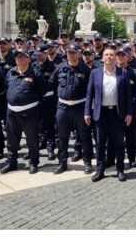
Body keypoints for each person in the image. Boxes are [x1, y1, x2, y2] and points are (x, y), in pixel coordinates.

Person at [84, 46, 133, 182]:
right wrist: (87, 112)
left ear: (115, 57)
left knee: (119, 142)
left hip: (117, 113)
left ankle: (120, 169)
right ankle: (100, 170)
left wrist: (129, 113)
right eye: (106, 55)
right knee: (100, 143)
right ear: (102, 58)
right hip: (101, 113)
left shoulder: (123, 73)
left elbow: (128, 96)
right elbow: (90, 94)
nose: (109, 57)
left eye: (112, 55)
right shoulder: (95, 73)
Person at [2, 49, 46, 174]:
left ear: (29, 59)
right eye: (17, 57)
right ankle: (11, 162)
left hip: (29, 113)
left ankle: (33, 163)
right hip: (12, 112)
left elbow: (42, 93)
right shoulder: (11, 72)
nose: (19, 59)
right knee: (11, 140)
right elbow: (7, 88)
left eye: (22, 57)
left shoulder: (35, 74)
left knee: (32, 139)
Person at [50, 43, 93, 174]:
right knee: (62, 136)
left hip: (80, 106)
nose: (71, 54)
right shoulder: (59, 68)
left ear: (79, 54)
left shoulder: (86, 70)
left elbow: (90, 91)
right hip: (63, 107)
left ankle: (87, 162)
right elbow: (52, 84)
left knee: (84, 136)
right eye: (69, 52)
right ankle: (62, 163)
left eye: (74, 52)